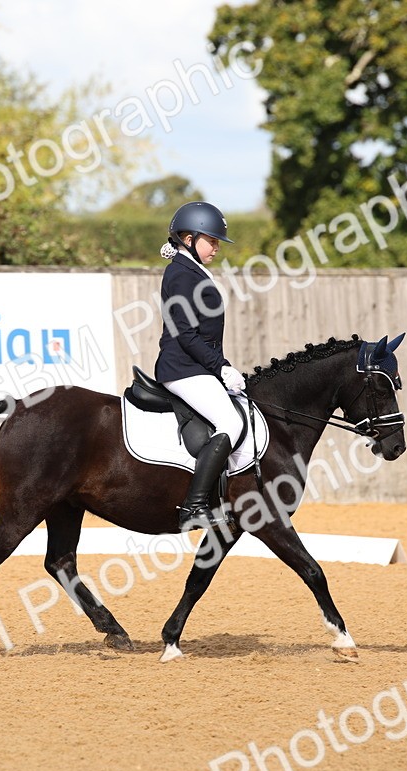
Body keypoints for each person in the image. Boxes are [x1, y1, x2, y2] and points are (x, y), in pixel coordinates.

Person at [154, 201, 246, 531]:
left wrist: (222, 366)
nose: (217, 248)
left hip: (196, 366)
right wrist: (221, 368)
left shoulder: (191, 270)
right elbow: (186, 334)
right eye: (212, 240)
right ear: (189, 239)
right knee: (231, 424)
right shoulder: (180, 273)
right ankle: (193, 507)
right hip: (182, 368)